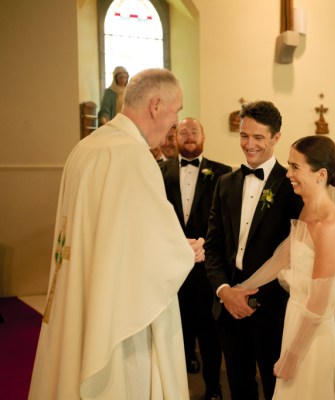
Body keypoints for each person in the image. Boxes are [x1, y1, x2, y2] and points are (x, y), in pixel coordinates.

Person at [29, 68, 202, 399]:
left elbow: (123, 230)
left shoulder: (87, 147)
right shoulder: (131, 156)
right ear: (155, 105)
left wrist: (172, 245)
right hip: (120, 316)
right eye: (176, 110)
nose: (175, 123)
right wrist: (184, 251)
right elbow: (149, 245)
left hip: (83, 292)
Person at [235, 135, 335, 399]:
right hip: (296, 320)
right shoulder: (308, 211)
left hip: (312, 334)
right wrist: (242, 288)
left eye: (295, 167)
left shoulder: (329, 225)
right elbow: (282, 258)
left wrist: (292, 355)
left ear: (320, 174)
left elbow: (319, 301)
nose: (288, 173)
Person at [204, 101, 303, 400]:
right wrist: (223, 290)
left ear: (276, 138)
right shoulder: (225, 183)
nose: (249, 145)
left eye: (259, 137)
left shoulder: (291, 187)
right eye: (244, 136)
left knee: (278, 389)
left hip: (272, 309)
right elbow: (213, 246)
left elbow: (298, 253)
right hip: (228, 305)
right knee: (239, 385)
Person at [160, 117, 232, 399]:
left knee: (209, 331)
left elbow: (226, 221)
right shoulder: (158, 171)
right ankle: (175, 385)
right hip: (169, 266)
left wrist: (203, 244)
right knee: (175, 326)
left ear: (204, 136)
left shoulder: (223, 173)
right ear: (175, 137)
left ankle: (213, 388)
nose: (189, 136)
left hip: (206, 266)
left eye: (194, 131)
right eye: (183, 131)